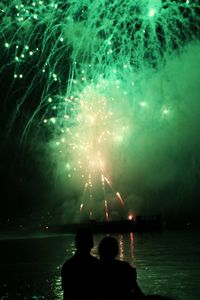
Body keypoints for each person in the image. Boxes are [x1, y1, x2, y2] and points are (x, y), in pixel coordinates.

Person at [98, 236, 144, 300]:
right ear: (115, 252)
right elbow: (136, 289)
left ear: (100, 250)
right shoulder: (124, 266)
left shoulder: (94, 268)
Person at [61, 227, 101, 300]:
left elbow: (67, 293)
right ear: (91, 244)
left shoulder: (68, 265)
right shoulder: (97, 265)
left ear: (76, 244)